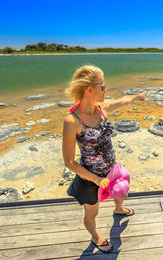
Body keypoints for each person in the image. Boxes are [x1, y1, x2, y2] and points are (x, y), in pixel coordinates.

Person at [62, 65, 145, 253]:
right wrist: (97, 180)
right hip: (90, 179)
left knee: (123, 190)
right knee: (92, 212)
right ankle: (95, 237)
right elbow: (69, 162)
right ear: (89, 89)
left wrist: (136, 97)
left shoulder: (101, 108)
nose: (106, 90)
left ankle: (119, 209)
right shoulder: (72, 120)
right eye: (103, 86)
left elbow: (122, 101)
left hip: (111, 169)